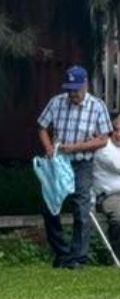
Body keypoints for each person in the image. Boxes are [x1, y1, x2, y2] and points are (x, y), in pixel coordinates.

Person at [38, 65, 112, 268]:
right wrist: (49, 147)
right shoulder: (56, 102)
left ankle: (78, 257)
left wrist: (77, 147)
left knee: (82, 209)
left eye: (76, 90)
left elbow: (104, 139)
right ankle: (62, 254)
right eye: (69, 89)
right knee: (50, 207)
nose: (72, 94)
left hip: (82, 163)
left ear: (85, 84)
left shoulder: (97, 106)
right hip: (58, 162)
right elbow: (42, 127)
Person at [92, 111, 120, 252]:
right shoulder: (103, 146)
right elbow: (117, 165)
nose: (119, 134)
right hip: (108, 197)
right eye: (116, 129)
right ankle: (117, 256)